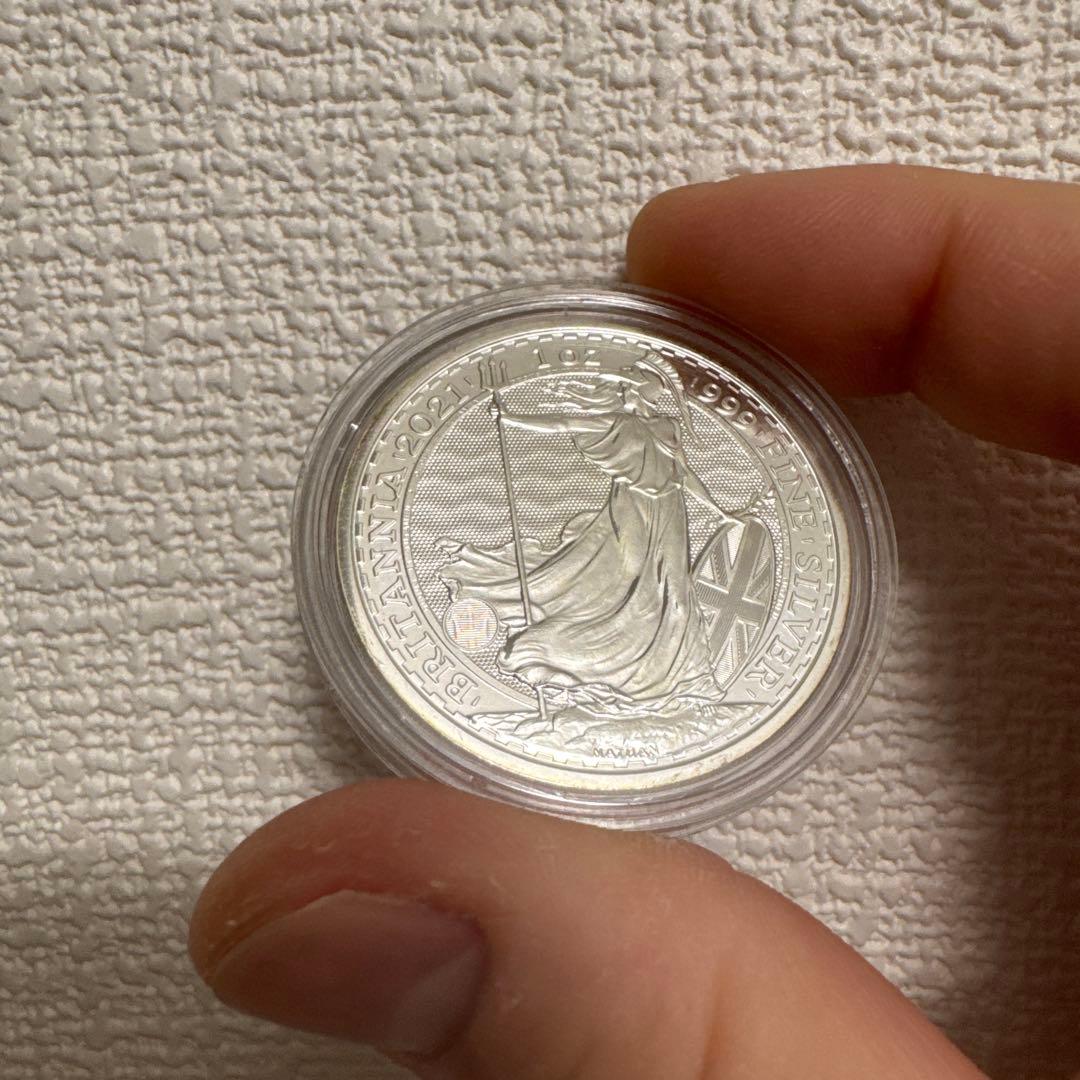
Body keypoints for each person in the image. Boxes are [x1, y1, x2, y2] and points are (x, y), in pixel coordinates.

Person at [188, 166, 1080, 1080]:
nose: (620, 409)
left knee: (617, 606)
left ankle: (614, 654)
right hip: (628, 528)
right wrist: (512, 414)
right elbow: (574, 431)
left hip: (649, 538)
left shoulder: (654, 443)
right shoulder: (638, 440)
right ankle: (576, 636)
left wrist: (540, 428)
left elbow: (615, 450)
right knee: (576, 580)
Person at [439, 357, 729, 706]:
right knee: (629, 586)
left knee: (676, 593)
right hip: (632, 508)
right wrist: (511, 418)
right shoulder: (619, 422)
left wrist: (721, 512)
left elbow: (683, 473)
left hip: (670, 510)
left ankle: (684, 676)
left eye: (636, 380)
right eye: (630, 381)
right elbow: (564, 422)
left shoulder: (668, 426)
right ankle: (600, 662)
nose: (629, 387)